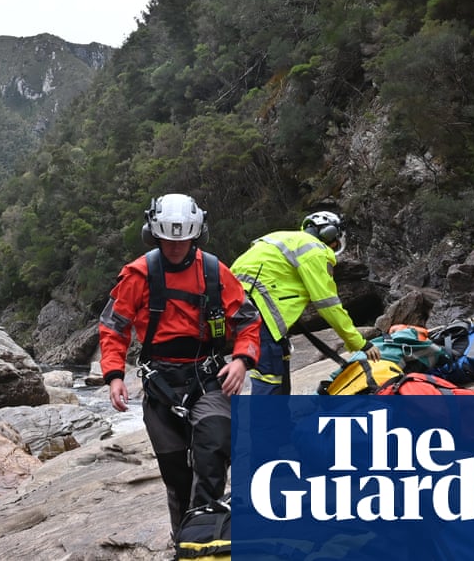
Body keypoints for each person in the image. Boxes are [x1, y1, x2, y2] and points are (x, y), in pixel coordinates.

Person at [98, 193, 262, 536]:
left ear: (196, 235)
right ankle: (184, 540)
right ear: (153, 234)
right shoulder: (138, 275)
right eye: (168, 240)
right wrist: (114, 375)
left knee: (214, 449)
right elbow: (114, 327)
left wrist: (243, 360)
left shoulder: (215, 272)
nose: (175, 247)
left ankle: (206, 535)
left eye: (183, 239)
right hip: (161, 383)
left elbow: (247, 321)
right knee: (176, 474)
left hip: (207, 376)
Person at [229, 210, 375, 395]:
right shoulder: (315, 249)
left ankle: (282, 422)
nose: (333, 246)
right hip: (261, 310)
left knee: (277, 362)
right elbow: (328, 304)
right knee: (269, 375)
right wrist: (359, 343)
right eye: (335, 241)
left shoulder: (280, 237)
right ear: (329, 234)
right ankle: (264, 424)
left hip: (235, 303)